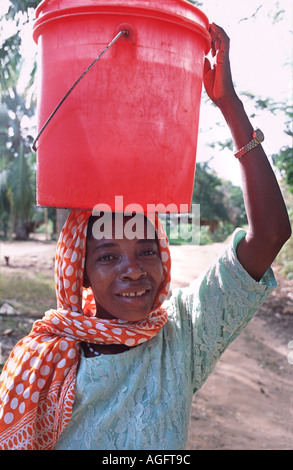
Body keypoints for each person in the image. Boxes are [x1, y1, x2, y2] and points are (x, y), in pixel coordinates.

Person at [0, 24, 291, 450]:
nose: (133, 270)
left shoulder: (182, 338)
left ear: (164, 258)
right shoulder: (48, 360)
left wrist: (229, 104)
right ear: (78, 272)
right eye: (107, 257)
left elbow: (270, 235)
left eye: (146, 250)